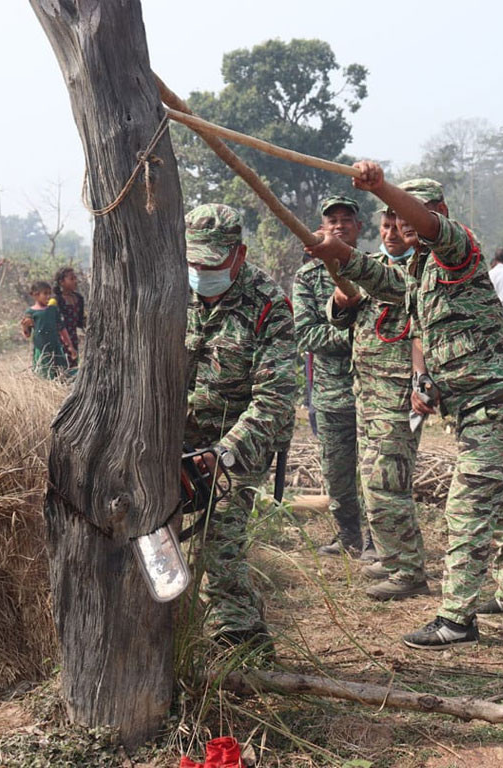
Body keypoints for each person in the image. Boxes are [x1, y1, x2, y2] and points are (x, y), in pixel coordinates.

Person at [307, 168, 503, 650]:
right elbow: (380, 281)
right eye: (392, 217)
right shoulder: (420, 272)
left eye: (411, 214)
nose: (402, 224)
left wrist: (380, 188)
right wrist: (340, 254)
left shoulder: (459, 250)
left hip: (492, 405)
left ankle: (457, 620)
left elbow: (427, 227)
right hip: (477, 408)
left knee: (467, 506)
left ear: (440, 214)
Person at [184, 203, 297, 650]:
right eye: (193, 262)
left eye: (211, 264)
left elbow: (273, 399)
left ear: (239, 255)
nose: (200, 272)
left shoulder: (269, 305)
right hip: (176, 433)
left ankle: (243, 643)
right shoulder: (170, 290)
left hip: (239, 440)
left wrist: (222, 453)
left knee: (220, 538)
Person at [327, 208, 429, 601]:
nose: (391, 235)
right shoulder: (371, 265)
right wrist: (340, 303)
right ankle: (391, 555)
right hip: (366, 390)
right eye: (385, 227)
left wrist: (422, 382)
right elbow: (340, 318)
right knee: (372, 478)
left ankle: (408, 571)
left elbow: (416, 323)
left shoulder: (421, 272)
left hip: (397, 392)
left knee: (387, 479)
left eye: (399, 229)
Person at [293, 195, 370, 559]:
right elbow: (307, 334)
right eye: (332, 220)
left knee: (377, 473)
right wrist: (357, 336)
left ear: (359, 227)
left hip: (375, 391)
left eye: (346, 219)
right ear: (322, 229)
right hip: (330, 394)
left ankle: (381, 540)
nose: (339, 225)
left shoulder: (376, 271)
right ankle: (348, 536)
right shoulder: (307, 278)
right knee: (337, 473)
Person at [20, 280, 75, 379]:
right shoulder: (30, 312)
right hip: (41, 348)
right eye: (45, 294)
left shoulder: (53, 310)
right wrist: (24, 326)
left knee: (62, 370)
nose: (48, 296)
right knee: (44, 373)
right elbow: (27, 334)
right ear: (36, 295)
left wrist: (70, 345)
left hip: (56, 346)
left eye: (50, 293)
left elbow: (62, 329)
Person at [53, 266, 86, 369]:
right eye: (72, 279)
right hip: (60, 339)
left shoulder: (79, 298)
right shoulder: (56, 300)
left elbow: (80, 320)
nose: (75, 281)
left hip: (73, 337)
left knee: (73, 365)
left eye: (75, 278)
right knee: (61, 366)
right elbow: (55, 322)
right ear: (61, 282)